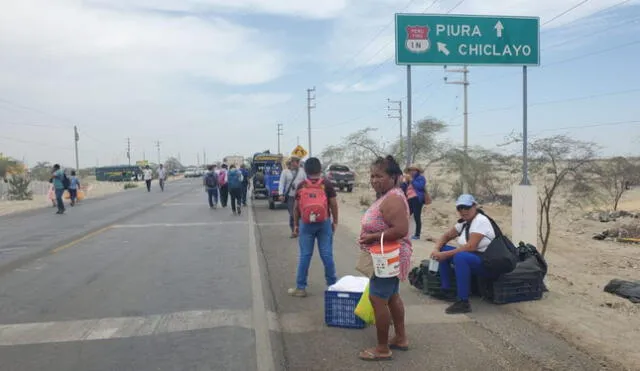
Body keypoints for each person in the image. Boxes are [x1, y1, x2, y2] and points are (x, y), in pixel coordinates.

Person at [357, 155, 412, 361]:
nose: (374, 180)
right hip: (386, 255)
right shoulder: (388, 195)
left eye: (379, 176)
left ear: (394, 177)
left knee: (378, 299)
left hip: (387, 256)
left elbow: (401, 229)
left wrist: (371, 237)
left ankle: (382, 348)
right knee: (392, 297)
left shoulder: (393, 199)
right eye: (372, 175)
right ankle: (400, 338)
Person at [430, 194, 496, 314]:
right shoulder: (465, 223)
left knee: (460, 257)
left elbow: (471, 247)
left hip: (487, 262)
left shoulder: (480, 220)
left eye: (467, 207)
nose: (463, 211)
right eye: (460, 208)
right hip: (474, 257)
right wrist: (436, 249)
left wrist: (445, 255)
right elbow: (446, 236)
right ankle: (447, 290)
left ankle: (463, 302)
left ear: (474, 206)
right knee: (444, 249)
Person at [288, 157, 337, 297]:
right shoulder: (326, 184)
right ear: (320, 169)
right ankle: (333, 286)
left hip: (306, 224)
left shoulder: (302, 185)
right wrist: (335, 221)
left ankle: (300, 288)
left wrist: (296, 225)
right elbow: (333, 204)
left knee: (305, 255)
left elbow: (296, 208)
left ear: (306, 170)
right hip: (324, 223)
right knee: (327, 255)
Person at [279, 156, 306, 238]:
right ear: (291, 162)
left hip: (301, 196)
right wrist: (280, 194)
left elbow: (306, 182)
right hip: (290, 196)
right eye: (293, 162)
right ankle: (294, 230)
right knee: (292, 214)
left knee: (301, 213)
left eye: (296, 162)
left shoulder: (302, 171)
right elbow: (281, 183)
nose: (295, 163)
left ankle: (299, 230)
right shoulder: (285, 172)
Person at [406, 164, 427, 240]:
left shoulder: (421, 178)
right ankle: (404, 232)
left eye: (413, 170)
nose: (412, 172)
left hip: (417, 198)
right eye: (410, 170)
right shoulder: (410, 179)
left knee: (416, 216)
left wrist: (412, 181)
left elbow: (420, 186)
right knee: (406, 214)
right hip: (410, 198)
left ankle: (417, 234)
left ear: (417, 171)